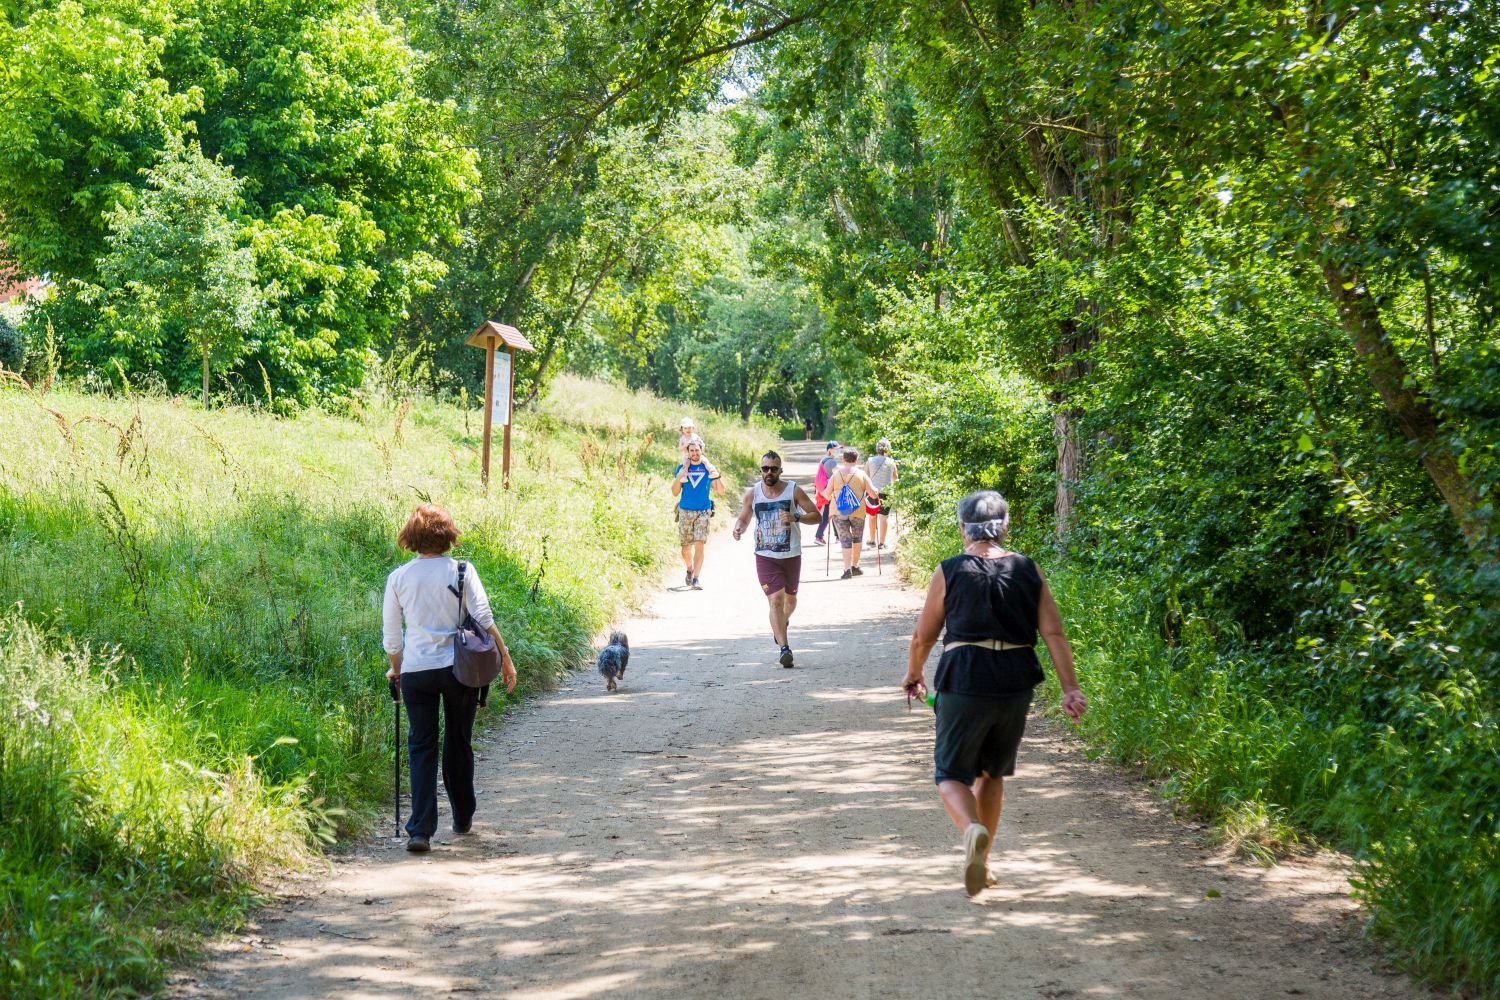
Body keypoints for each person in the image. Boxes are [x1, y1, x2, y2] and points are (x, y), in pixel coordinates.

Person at [901, 490, 1086, 896]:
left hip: (965, 675)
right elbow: (1053, 632)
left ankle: (971, 832)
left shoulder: (949, 570)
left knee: (950, 774)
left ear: (962, 527)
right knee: (992, 774)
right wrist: (1070, 688)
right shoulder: (1027, 569)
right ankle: (982, 864)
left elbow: (924, 635)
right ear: (1004, 526)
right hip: (1015, 682)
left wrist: (914, 674)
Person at [383, 504, 518, 853]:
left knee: (420, 745)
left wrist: (397, 669)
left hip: (416, 671)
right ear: (448, 535)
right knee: (458, 741)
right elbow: (483, 616)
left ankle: (420, 830)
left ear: (411, 538)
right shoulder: (462, 570)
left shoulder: (398, 578)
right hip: (460, 670)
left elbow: (392, 639)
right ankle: (462, 815)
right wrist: (505, 657)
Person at [732, 450, 821, 668]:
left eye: (773, 469)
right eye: (765, 469)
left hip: (791, 554)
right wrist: (738, 528)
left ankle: (781, 624)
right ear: (760, 470)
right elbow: (744, 518)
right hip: (765, 556)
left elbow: (817, 515)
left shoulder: (793, 491)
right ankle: (784, 648)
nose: (769, 472)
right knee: (775, 601)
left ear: (781, 470)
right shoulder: (753, 494)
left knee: (790, 600)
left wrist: (795, 516)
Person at [671, 439, 725, 590]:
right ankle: (689, 568)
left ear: (702, 450)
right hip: (685, 510)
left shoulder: (708, 468)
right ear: (688, 452)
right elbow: (675, 492)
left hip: (703, 510)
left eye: (697, 450)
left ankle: (696, 579)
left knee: (699, 543)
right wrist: (679, 476)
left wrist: (717, 476)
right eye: (692, 451)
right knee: (686, 547)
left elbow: (721, 491)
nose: (695, 453)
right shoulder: (682, 468)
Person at [820, 446, 878, 579]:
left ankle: (847, 569)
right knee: (857, 538)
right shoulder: (861, 474)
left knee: (845, 539)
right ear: (856, 460)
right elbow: (873, 495)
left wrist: (833, 498)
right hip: (857, 511)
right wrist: (876, 491)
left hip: (838, 511)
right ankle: (855, 566)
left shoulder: (836, 474)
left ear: (843, 459)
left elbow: (827, 495)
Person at [864, 438, 899, 549]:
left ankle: (872, 540)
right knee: (883, 518)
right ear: (888, 449)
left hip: (872, 492)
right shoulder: (891, 462)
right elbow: (895, 477)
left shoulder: (870, 460)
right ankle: (882, 543)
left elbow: (865, 476)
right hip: (887, 493)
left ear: (877, 448)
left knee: (872, 516)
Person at [812, 440, 840, 546]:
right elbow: (837, 476)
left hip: (823, 489)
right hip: (829, 490)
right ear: (829, 450)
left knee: (832, 512)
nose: (838, 451)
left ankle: (838, 536)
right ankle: (819, 536)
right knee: (829, 513)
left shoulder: (824, 460)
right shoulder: (832, 462)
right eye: (836, 449)